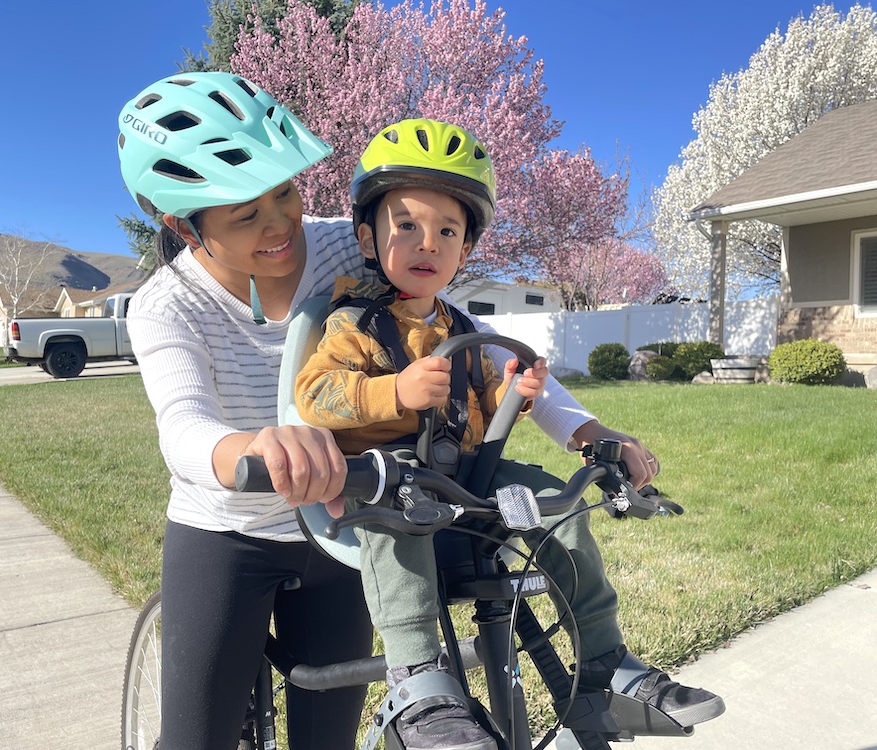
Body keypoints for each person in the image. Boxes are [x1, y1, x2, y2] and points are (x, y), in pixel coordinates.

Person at [118, 71, 716, 750]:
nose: (281, 225)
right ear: (183, 225)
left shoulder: (358, 239)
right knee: (196, 740)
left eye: (284, 192)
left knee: (329, 740)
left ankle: (602, 669)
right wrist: (251, 450)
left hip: (359, 517)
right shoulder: (166, 306)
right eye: (245, 214)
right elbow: (184, 425)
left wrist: (583, 427)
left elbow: (486, 355)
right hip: (229, 533)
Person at [295, 119, 725, 750]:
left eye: (448, 231)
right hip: (387, 477)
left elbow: (482, 403)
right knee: (398, 509)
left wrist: (514, 397)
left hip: (467, 477)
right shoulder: (353, 322)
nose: (427, 242)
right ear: (368, 235)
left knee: (562, 503)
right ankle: (417, 678)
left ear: (465, 249)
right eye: (406, 225)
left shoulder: (462, 325)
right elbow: (313, 394)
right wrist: (395, 391)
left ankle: (603, 661)